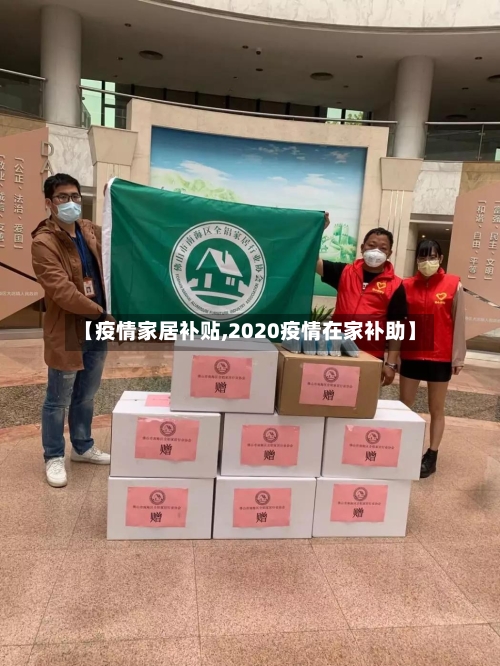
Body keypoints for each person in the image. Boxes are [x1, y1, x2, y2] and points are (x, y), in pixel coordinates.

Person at [32, 173, 112, 488]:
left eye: (75, 196)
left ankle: (82, 446)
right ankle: (53, 456)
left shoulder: (89, 230)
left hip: (97, 328)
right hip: (68, 327)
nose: (71, 203)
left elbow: (119, 240)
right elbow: (62, 291)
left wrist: (116, 200)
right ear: (49, 203)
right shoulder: (44, 242)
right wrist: (100, 313)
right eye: (63, 197)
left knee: (87, 394)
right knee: (58, 398)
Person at [399, 239, 466, 478]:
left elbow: (458, 322)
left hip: (440, 356)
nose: (427, 261)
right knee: (403, 405)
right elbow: (399, 322)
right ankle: (401, 448)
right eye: (422, 256)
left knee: (436, 408)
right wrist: (394, 355)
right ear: (416, 259)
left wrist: (457, 357)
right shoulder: (406, 285)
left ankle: (432, 454)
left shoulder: (453, 285)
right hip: (412, 354)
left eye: (432, 256)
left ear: (441, 258)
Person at [316, 218, 407, 386]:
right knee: (333, 393)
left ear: (389, 254)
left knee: (363, 399)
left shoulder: (396, 285)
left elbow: (396, 328)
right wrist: (318, 230)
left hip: (371, 356)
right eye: (372, 245)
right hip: (336, 350)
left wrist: (391, 364)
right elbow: (314, 262)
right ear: (362, 247)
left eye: (383, 248)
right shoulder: (344, 272)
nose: (376, 251)